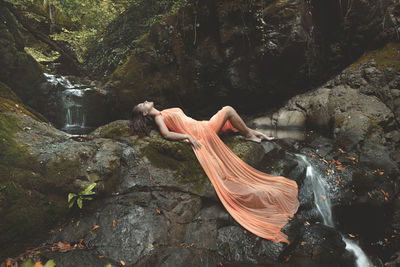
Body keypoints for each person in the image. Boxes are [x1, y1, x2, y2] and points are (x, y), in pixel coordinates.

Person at [129, 101, 299, 244]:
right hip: (200, 133)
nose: (145, 101)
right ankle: (249, 134)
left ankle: (249, 132)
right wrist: (187, 137)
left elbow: (186, 121)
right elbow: (166, 134)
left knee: (227, 114)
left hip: (202, 126)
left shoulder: (164, 112)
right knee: (228, 110)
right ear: (144, 113)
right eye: (142, 104)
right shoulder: (159, 117)